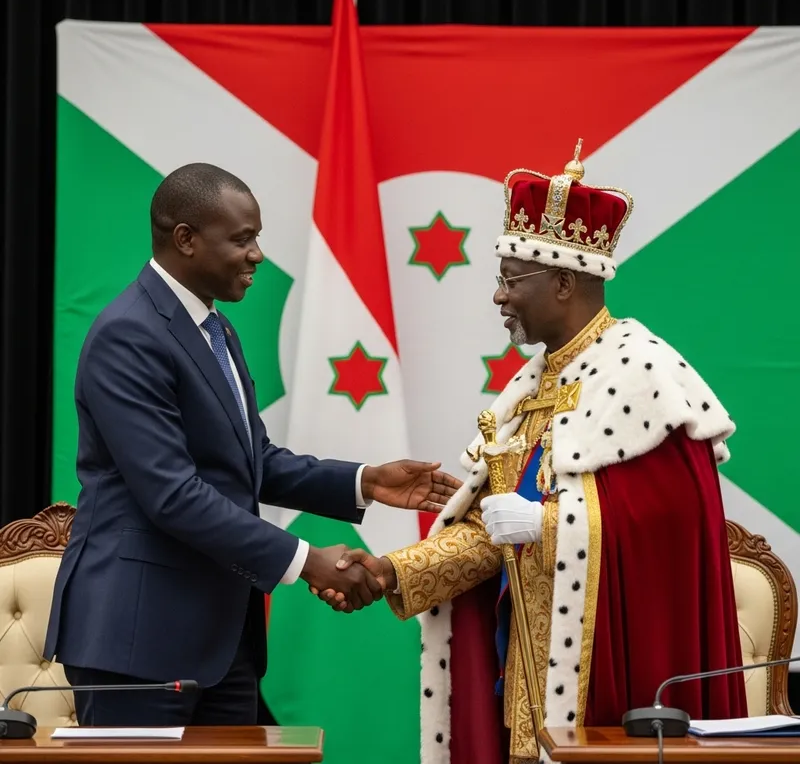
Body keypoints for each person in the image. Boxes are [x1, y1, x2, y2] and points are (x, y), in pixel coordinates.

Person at [319, 145, 747, 763]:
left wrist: (549, 525)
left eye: (510, 279)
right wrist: (388, 572)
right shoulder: (530, 388)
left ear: (565, 282)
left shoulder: (646, 373)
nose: (499, 297)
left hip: (612, 685)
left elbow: (676, 525)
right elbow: (491, 534)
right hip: (521, 683)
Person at [43, 163, 460, 727]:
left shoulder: (215, 328)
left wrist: (365, 481)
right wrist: (307, 561)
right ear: (186, 239)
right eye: (242, 239)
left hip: (223, 644)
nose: (258, 254)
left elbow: (250, 462)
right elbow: (173, 494)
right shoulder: (129, 335)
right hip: (138, 642)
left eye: (256, 237)